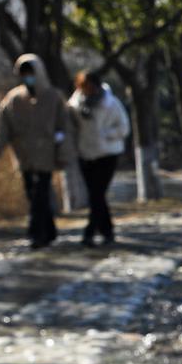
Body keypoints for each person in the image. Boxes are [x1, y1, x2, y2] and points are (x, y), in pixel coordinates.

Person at [0, 54, 73, 249]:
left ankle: (36, 233)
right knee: (31, 194)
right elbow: (3, 127)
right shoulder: (14, 98)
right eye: (24, 74)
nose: (28, 77)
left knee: (40, 194)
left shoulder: (53, 96)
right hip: (24, 156)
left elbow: (65, 123)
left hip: (46, 156)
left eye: (31, 73)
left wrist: (61, 141)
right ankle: (49, 231)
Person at [69, 70, 131, 247]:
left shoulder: (111, 103)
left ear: (96, 86)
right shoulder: (74, 104)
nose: (87, 90)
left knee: (97, 194)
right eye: (83, 86)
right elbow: (70, 125)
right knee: (96, 195)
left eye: (90, 86)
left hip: (107, 154)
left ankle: (89, 232)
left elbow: (124, 128)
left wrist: (106, 134)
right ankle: (107, 232)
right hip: (85, 154)